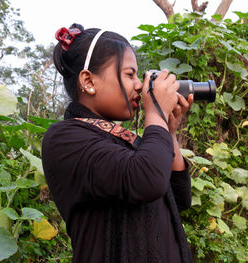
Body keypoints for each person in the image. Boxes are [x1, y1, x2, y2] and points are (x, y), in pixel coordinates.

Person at [41, 23, 194, 263]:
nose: (139, 85)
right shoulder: (64, 138)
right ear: (89, 81)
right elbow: (146, 181)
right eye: (129, 74)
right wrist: (155, 114)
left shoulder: (121, 139)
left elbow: (180, 197)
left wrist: (169, 131)